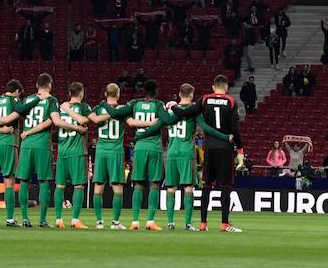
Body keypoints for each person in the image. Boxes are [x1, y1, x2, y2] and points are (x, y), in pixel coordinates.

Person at [136, 83, 230, 230]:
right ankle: (187, 223)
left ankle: (170, 222)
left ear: (179, 94)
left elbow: (157, 125)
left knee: (171, 189)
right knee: (188, 188)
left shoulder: (170, 112)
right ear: (191, 95)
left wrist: (140, 136)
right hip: (187, 153)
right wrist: (224, 136)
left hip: (172, 153)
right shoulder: (193, 112)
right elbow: (205, 128)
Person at [0, 73, 73, 228]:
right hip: (42, 145)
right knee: (43, 183)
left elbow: (15, 114)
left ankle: (24, 218)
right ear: (50, 85)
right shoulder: (51, 100)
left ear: (37, 85)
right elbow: (54, 121)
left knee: (23, 182)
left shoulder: (28, 99)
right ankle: (42, 220)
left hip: (26, 145)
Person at [170, 74, 245, 232]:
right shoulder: (231, 101)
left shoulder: (204, 99)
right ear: (225, 87)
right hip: (225, 148)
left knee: (207, 185)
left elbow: (185, 113)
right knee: (225, 186)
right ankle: (224, 224)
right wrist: (240, 151)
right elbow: (235, 129)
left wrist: (172, 107)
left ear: (213, 86)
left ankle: (203, 223)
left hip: (209, 148)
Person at [97, 79, 175, 230]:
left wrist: (104, 103)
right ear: (156, 92)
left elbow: (115, 112)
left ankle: (134, 221)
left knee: (138, 184)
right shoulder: (158, 105)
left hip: (139, 149)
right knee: (154, 184)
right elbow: (168, 120)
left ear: (143, 91)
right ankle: (150, 221)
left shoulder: (134, 103)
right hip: (154, 148)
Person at [0, 79, 35, 227]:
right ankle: (10, 219)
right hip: (8, 143)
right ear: (17, 91)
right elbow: (22, 108)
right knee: (9, 182)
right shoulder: (13, 100)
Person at [85, 83, 129, 229]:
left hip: (101, 150)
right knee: (117, 186)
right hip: (116, 150)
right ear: (118, 94)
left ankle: (99, 222)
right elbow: (130, 122)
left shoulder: (98, 108)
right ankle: (115, 222)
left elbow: (94, 120)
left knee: (98, 186)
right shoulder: (123, 109)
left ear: (105, 94)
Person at [52, 82, 92, 229]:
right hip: (77, 152)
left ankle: (58, 219)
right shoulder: (83, 107)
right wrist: (70, 111)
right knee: (79, 186)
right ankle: (75, 220)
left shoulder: (60, 108)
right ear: (81, 93)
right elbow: (84, 121)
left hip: (62, 151)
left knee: (60, 186)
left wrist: (66, 109)